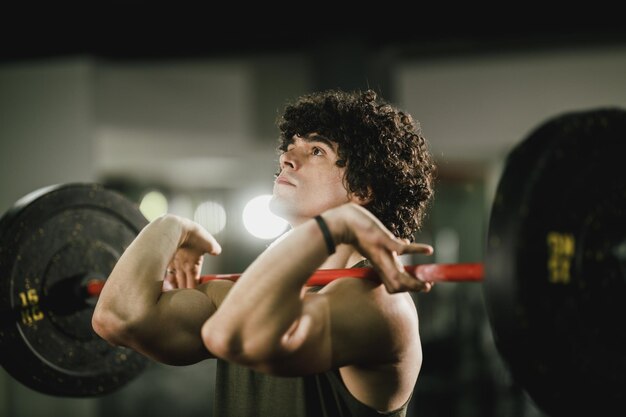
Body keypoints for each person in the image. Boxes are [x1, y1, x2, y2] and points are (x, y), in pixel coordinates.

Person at [92, 89, 436, 417]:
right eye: (290, 146)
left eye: (317, 151)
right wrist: (170, 227)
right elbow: (118, 319)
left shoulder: (378, 303)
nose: (287, 157)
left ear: (362, 188)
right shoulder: (241, 294)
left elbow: (235, 337)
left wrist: (336, 226)